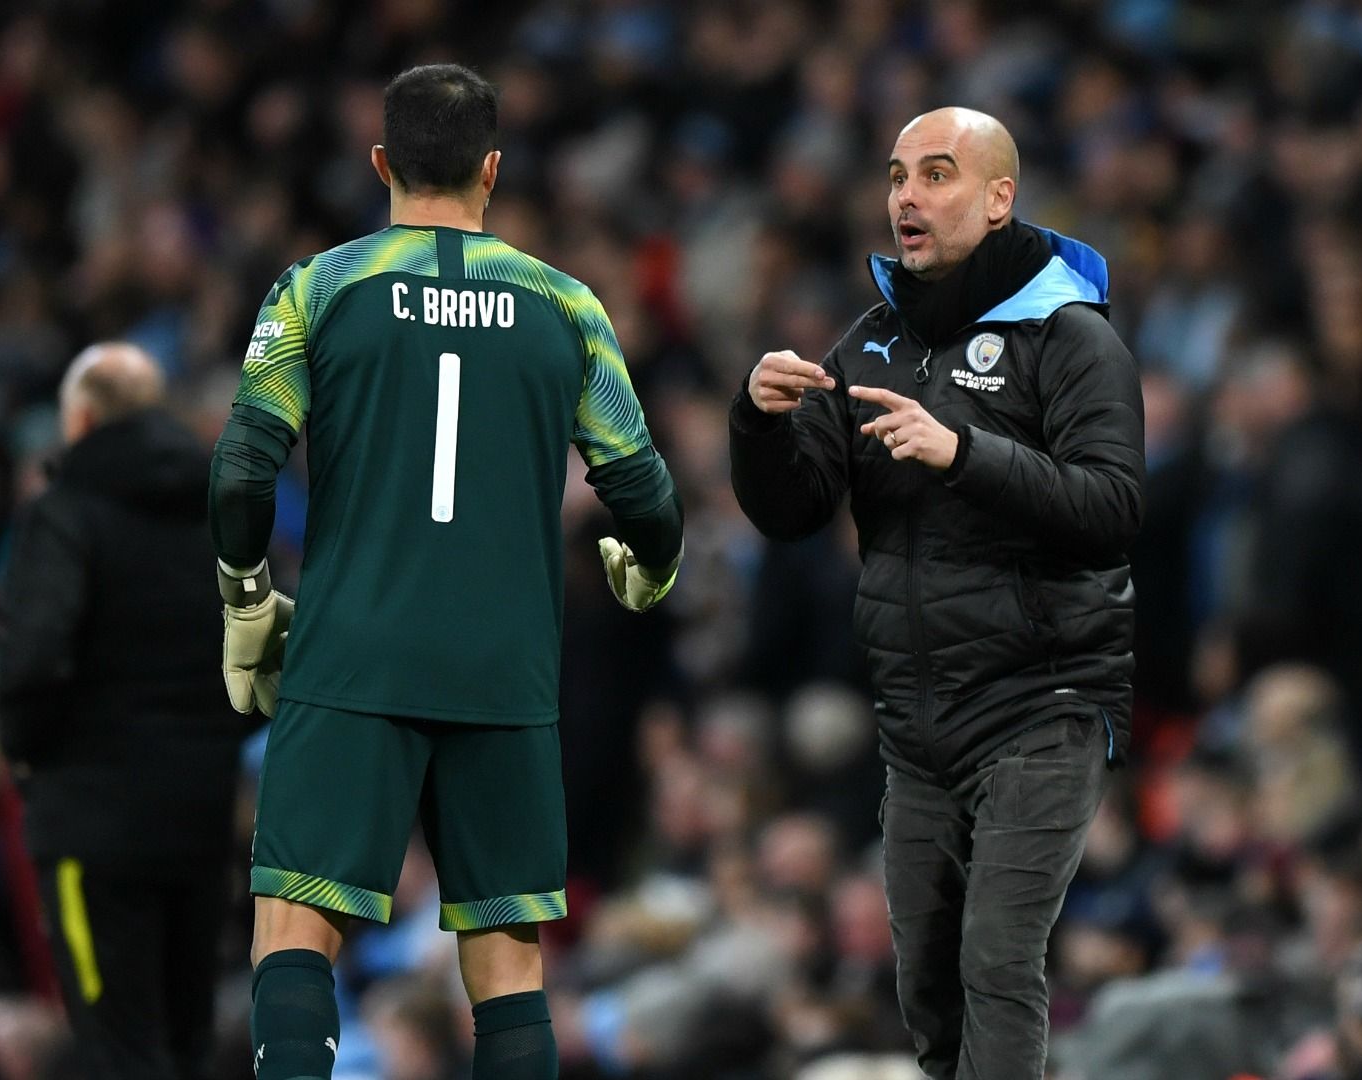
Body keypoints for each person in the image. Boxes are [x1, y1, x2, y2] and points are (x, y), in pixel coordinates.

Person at [207, 64, 683, 1080]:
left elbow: (243, 472)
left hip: (352, 655)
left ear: (380, 161)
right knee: (507, 961)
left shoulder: (319, 288)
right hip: (505, 672)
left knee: (297, 932)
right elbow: (647, 494)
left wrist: (246, 600)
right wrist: (651, 568)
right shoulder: (567, 305)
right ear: (492, 171)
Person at [729, 106, 1145, 1078]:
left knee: (997, 960)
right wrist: (755, 423)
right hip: (917, 722)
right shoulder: (870, 344)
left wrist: (964, 454)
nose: (906, 196)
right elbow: (792, 513)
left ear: (1000, 198)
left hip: (1042, 701)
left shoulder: (1071, 339)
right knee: (927, 985)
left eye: (938, 174)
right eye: (896, 175)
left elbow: (1114, 507)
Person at [0, 343, 249, 1080]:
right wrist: (209, 742)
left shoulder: (65, 514)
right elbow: (272, 647)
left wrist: (31, 754)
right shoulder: (221, 512)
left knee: (118, 1049)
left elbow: (36, 656)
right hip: (199, 819)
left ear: (79, 418)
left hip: (93, 823)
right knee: (186, 1042)